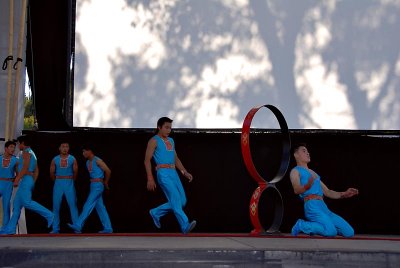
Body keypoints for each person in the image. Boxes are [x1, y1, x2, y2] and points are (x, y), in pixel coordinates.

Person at [290, 143, 359, 237]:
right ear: (295, 154)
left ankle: (321, 228)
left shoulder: (313, 173)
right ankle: (302, 225)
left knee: (349, 232)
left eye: (308, 151)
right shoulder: (295, 171)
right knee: (331, 232)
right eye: (304, 151)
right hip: (312, 206)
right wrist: (307, 185)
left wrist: (344, 194)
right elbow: (296, 190)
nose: (308, 153)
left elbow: (327, 192)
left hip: (323, 206)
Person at [144, 117, 196, 234]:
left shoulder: (171, 141)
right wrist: (150, 178)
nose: (169, 130)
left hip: (174, 173)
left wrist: (184, 172)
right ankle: (184, 225)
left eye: (170, 128)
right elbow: (146, 161)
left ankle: (156, 212)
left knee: (182, 201)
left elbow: (176, 159)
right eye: (166, 127)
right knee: (176, 199)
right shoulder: (154, 141)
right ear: (159, 127)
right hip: (163, 174)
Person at [0, 135, 54, 235]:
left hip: (25, 180)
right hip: (27, 180)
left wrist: (17, 179)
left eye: (18, 144)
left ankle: (50, 215)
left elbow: (24, 169)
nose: (17, 146)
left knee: (27, 202)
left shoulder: (26, 153)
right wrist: (32, 181)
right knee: (16, 205)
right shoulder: (31, 153)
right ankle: (10, 229)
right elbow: (37, 170)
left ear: (23, 143)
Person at [68, 144, 112, 234]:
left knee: (87, 204)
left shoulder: (98, 161)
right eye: (82, 151)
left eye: (84, 151)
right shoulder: (87, 162)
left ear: (90, 151)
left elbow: (108, 171)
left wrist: (106, 182)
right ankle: (108, 228)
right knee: (100, 208)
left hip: (98, 185)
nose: (83, 153)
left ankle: (78, 225)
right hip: (93, 185)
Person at [49, 141, 79, 234]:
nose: (65, 148)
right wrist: (57, 180)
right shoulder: (55, 159)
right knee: (56, 206)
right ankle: (55, 228)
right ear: (59, 148)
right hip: (58, 183)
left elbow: (76, 172)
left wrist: (71, 181)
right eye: (63, 146)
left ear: (69, 148)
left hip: (69, 182)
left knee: (73, 205)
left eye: (67, 146)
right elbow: (51, 173)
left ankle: (77, 227)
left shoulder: (72, 159)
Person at [0, 141, 18, 230]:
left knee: (6, 205)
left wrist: (15, 180)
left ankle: (5, 227)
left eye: (14, 147)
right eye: (11, 147)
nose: (13, 149)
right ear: (6, 148)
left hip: (8, 184)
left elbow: (18, 173)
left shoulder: (15, 160)